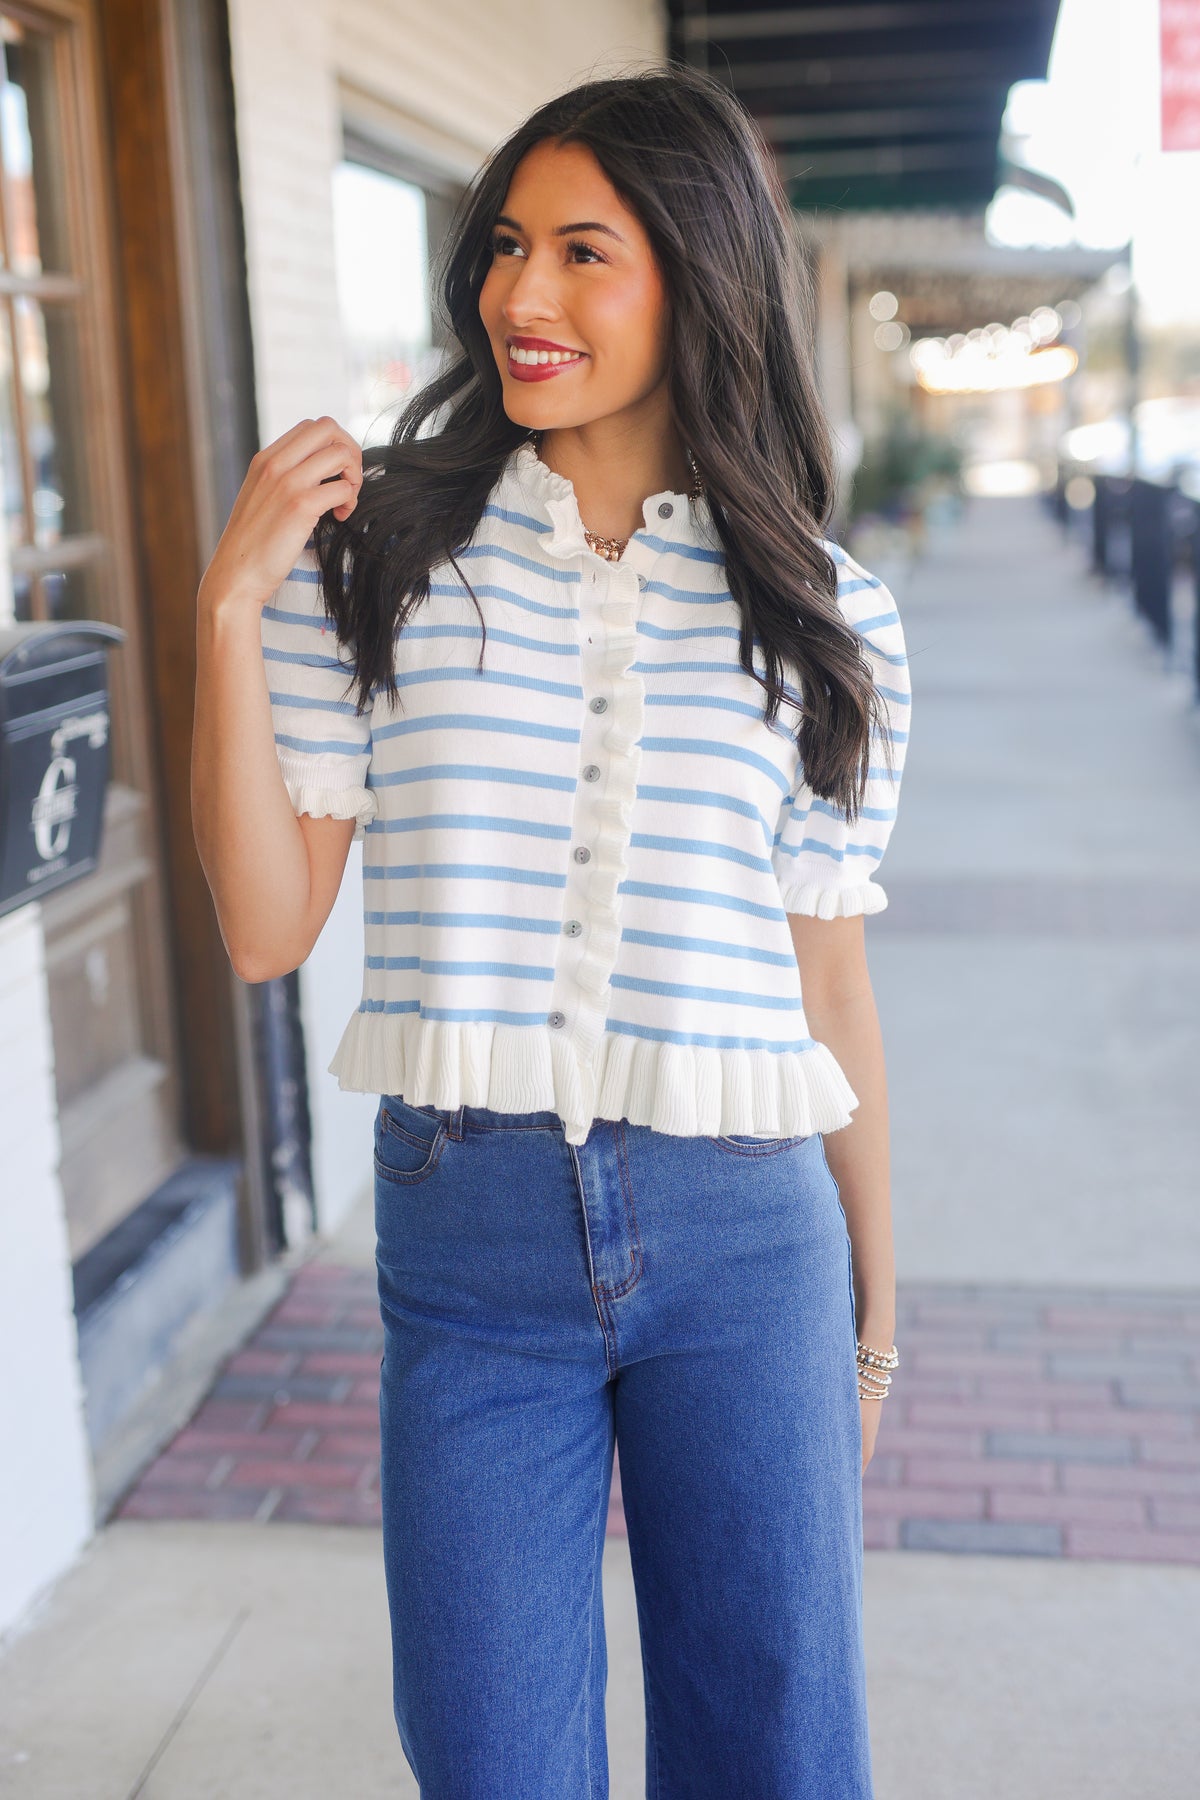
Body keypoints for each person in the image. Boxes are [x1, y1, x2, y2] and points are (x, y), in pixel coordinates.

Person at [192, 60, 908, 1800]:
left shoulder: (827, 615)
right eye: (509, 246)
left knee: (774, 1751)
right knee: (491, 1755)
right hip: (472, 1231)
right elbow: (270, 931)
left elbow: (828, 982)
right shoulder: (379, 558)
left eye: (586, 252)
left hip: (748, 1238)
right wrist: (224, 610)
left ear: (699, 276)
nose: (525, 293)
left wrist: (877, 1318)